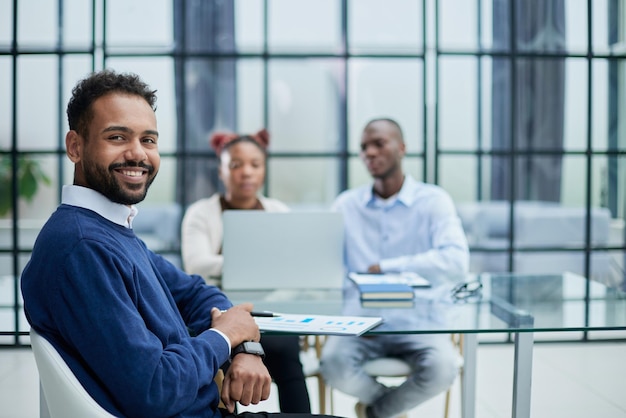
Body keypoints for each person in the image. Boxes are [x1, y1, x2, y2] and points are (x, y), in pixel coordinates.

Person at [20, 69, 340, 418]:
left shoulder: (110, 231)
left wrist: (244, 344)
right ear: (75, 146)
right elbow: (155, 389)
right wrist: (223, 339)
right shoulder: (81, 248)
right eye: (117, 137)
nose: (137, 154)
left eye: (149, 140)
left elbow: (196, 291)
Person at [319, 118, 470, 418]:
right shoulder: (346, 205)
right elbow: (327, 268)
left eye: (379, 144)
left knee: (443, 368)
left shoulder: (433, 201)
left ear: (401, 148)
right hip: (361, 323)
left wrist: (388, 267)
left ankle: (375, 412)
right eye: (364, 147)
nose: (369, 153)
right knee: (333, 364)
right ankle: (388, 409)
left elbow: (456, 261)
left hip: (420, 321)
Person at [181, 129, 311, 413]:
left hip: (271, 310)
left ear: (264, 169)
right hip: (219, 311)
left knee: (287, 350)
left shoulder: (278, 211)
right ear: (221, 171)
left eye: (255, 164)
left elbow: (295, 268)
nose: (246, 173)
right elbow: (197, 265)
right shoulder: (201, 213)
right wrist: (260, 264)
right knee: (227, 349)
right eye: (236, 165)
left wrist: (236, 264)